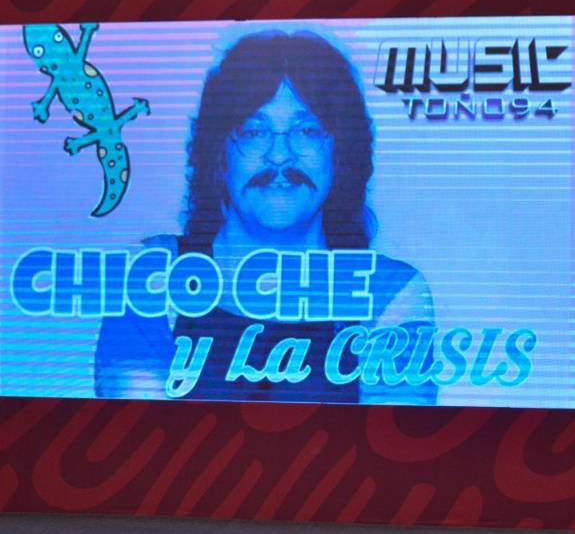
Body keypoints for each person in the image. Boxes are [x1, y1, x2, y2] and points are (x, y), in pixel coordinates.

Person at [94, 30, 436, 404]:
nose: (279, 155)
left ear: (341, 152)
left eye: (308, 130)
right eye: (254, 131)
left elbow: (390, 432)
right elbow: (140, 428)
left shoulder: (390, 291)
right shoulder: (151, 271)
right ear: (218, 154)